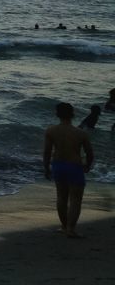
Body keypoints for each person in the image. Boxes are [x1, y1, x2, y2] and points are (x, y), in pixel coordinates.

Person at [44, 102, 95, 238]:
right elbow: (90, 153)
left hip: (58, 165)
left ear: (57, 114)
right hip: (74, 166)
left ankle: (64, 226)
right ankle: (71, 229)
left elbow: (47, 152)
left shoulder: (51, 130)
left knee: (61, 197)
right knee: (75, 199)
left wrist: (46, 168)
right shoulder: (80, 133)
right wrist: (87, 166)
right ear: (72, 114)